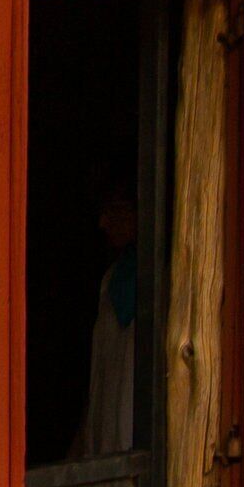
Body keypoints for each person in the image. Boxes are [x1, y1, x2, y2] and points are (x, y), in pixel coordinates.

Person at [83, 188, 148, 457]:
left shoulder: (164, 279)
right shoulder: (110, 279)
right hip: (106, 440)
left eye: (112, 212)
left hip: (137, 444)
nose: (103, 223)